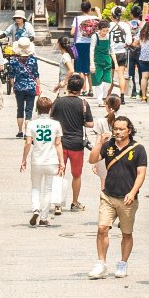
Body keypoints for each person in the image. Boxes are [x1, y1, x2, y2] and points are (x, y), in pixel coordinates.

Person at [90, 115, 146, 279]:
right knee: (102, 229)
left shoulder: (138, 149)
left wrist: (133, 192)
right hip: (108, 195)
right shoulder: (108, 146)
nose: (118, 132)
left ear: (129, 130)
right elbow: (92, 159)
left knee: (126, 233)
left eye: (122, 129)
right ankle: (101, 263)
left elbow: (141, 174)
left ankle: (122, 263)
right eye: (115, 128)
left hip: (127, 197)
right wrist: (100, 142)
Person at [51, 75, 94, 212]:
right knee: (76, 175)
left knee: (59, 172)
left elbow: (51, 117)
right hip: (76, 144)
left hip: (60, 143)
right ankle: (75, 203)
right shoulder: (83, 104)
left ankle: (58, 204)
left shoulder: (58, 102)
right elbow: (90, 124)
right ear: (81, 89)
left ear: (68, 87)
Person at [20, 94, 65, 224]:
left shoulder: (31, 124)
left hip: (36, 160)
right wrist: (61, 162)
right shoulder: (56, 124)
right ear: (50, 109)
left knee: (35, 187)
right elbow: (58, 144)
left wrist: (23, 159)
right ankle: (44, 218)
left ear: (37, 109)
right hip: (51, 160)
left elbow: (28, 143)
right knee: (48, 190)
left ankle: (35, 210)